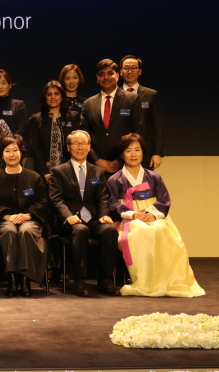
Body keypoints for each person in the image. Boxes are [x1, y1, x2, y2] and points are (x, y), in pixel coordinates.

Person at [107, 133, 204, 297]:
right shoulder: (114, 180)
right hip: (128, 219)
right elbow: (111, 205)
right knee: (139, 231)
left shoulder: (154, 177)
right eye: (128, 150)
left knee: (159, 230)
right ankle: (144, 281)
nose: (133, 154)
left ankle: (166, 279)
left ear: (143, 153)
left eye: (137, 150)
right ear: (122, 154)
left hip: (154, 216)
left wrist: (152, 214)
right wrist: (133, 214)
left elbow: (165, 200)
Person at [49, 130, 121, 297]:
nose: (79, 147)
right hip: (70, 220)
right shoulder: (58, 171)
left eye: (83, 143)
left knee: (109, 230)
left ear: (89, 147)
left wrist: (104, 214)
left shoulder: (97, 172)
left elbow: (102, 197)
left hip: (93, 218)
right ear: (68, 147)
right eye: (75, 143)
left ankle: (106, 279)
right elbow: (56, 199)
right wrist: (68, 216)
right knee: (81, 230)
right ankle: (79, 280)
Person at [0, 135, 47, 297]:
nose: (11, 154)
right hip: (6, 221)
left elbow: (42, 202)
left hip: (30, 220)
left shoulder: (34, 177)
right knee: (9, 231)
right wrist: (8, 217)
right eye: (7, 151)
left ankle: (25, 278)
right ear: (2, 155)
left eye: (15, 150)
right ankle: (12, 277)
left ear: (22, 153)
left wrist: (28, 215)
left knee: (26, 231)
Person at [81, 59, 143, 174]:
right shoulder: (88, 103)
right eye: (101, 74)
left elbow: (137, 132)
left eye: (110, 73)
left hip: (125, 165)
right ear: (97, 78)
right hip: (97, 167)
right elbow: (85, 136)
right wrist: (97, 160)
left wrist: (119, 160)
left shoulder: (132, 99)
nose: (106, 77)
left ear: (118, 75)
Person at [29, 80, 81, 180]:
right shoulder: (36, 119)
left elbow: (75, 145)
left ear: (62, 96)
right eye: (49, 94)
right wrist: (45, 173)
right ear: (45, 98)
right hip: (43, 174)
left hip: (68, 172)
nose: (53, 97)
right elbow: (36, 149)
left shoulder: (73, 117)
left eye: (56, 94)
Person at [120, 55, 164, 170]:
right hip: (119, 153)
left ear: (140, 71)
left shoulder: (151, 95)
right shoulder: (114, 95)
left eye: (134, 67)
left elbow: (157, 126)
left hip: (145, 153)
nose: (130, 71)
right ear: (120, 72)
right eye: (126, 68)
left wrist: (157, 153)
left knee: (143, 186)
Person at [0, 69, 28, 137]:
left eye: (3, 83)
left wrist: (12, 142)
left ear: (10, 85)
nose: (0, 87)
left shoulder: (18, 105)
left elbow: (22, 128)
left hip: (13, 145)